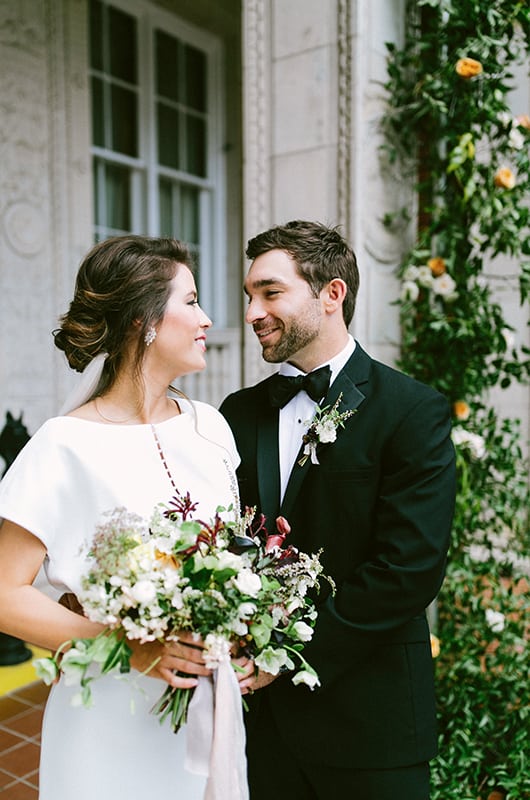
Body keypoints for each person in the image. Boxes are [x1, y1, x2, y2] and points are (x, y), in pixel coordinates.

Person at [0, 235, 248, 800]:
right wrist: (121, 642)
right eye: (190, 301)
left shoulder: (211, 427)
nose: (207, 318)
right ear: (144, 320)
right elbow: (3, 592)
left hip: (206, 708)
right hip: (107, 711)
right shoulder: (63, 445)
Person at [219, 220, 456, 800]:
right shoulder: (236, 413)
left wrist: (290, 653)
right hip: (263, 730)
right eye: (249, 296)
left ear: (332, 294)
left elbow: (409, 569)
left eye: (270, 293)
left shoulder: (411, 411)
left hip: (371, 725)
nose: (252, 312)